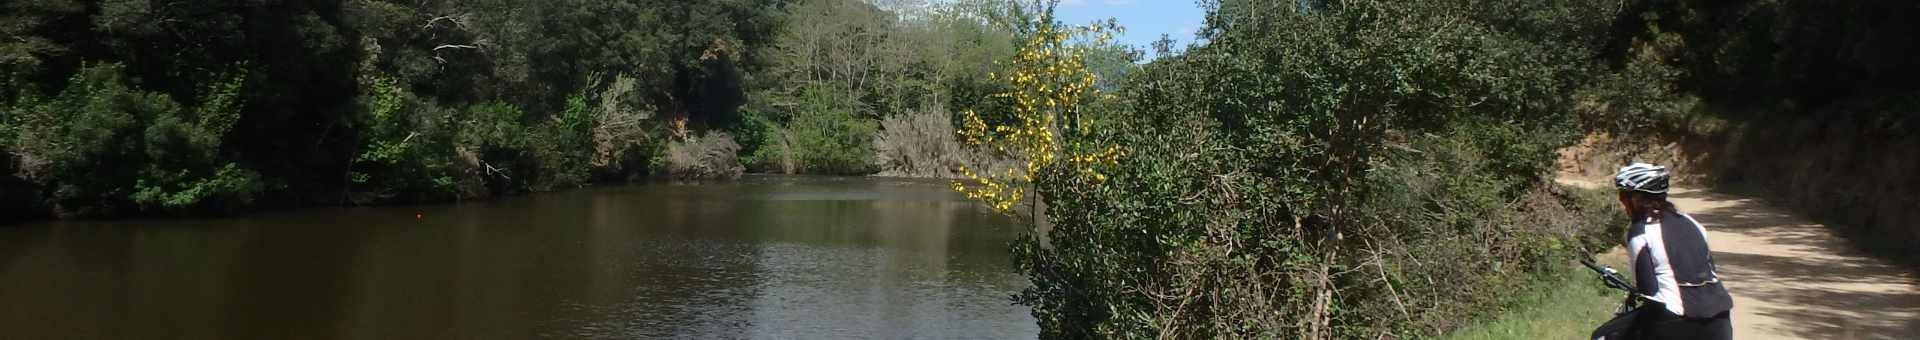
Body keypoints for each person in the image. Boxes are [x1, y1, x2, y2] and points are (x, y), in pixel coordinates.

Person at [1615, 163, 1734, 339]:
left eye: (1623, 196)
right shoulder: (1692, 222)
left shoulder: (1640, 231)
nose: (1622, 202)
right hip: (1720, 320)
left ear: (1634, 199)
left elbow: (1648, 291)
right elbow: (1709, 270)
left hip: (1676, 322)